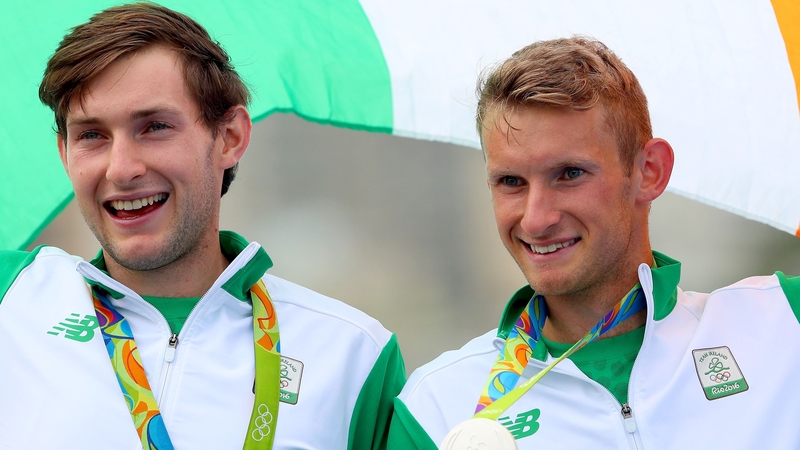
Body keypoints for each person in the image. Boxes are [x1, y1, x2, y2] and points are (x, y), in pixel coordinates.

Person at [0, 3, 405, 449]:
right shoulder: (11, 298)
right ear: (64, 153)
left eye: (154, 127)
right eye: (91, 135)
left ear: (229, 138)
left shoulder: (354, 354)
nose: (121, 169)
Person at [387, 36, 800, 449]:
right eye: (511, 182)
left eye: (569, 174)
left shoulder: (783, 323)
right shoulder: (434, 408)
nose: (536, 219)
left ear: (649, 172)